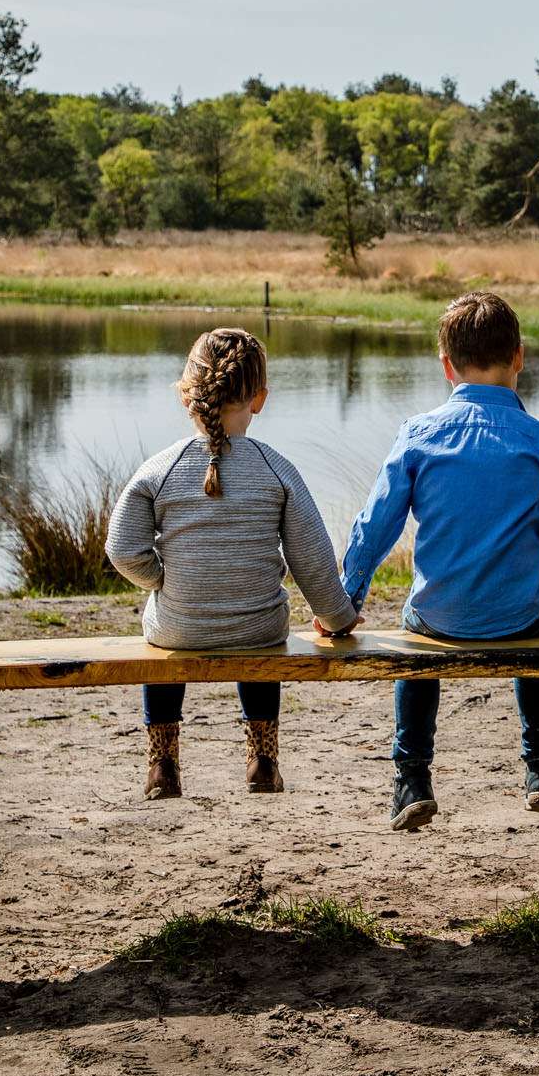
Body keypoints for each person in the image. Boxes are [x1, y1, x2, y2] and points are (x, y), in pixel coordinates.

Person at [336, 291, 539, 832]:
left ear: (446, 365)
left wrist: (345, 601)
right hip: (519, 616)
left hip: (440, 618)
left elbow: (374, 528)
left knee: (414, 630)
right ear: (519, 356)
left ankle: (412, 777)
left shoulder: (418, 435)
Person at [106, 326, 360, 800]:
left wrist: (162, 579)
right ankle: (263, 760)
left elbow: (122, 548)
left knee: (160, 642)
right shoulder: (275, 467)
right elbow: (312, 560)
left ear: (188, 397)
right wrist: (337, 618)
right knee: (260, 623)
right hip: (259, 628)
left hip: (180, 626)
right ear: (259, 399)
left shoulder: (160, 468)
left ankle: (163, 764)